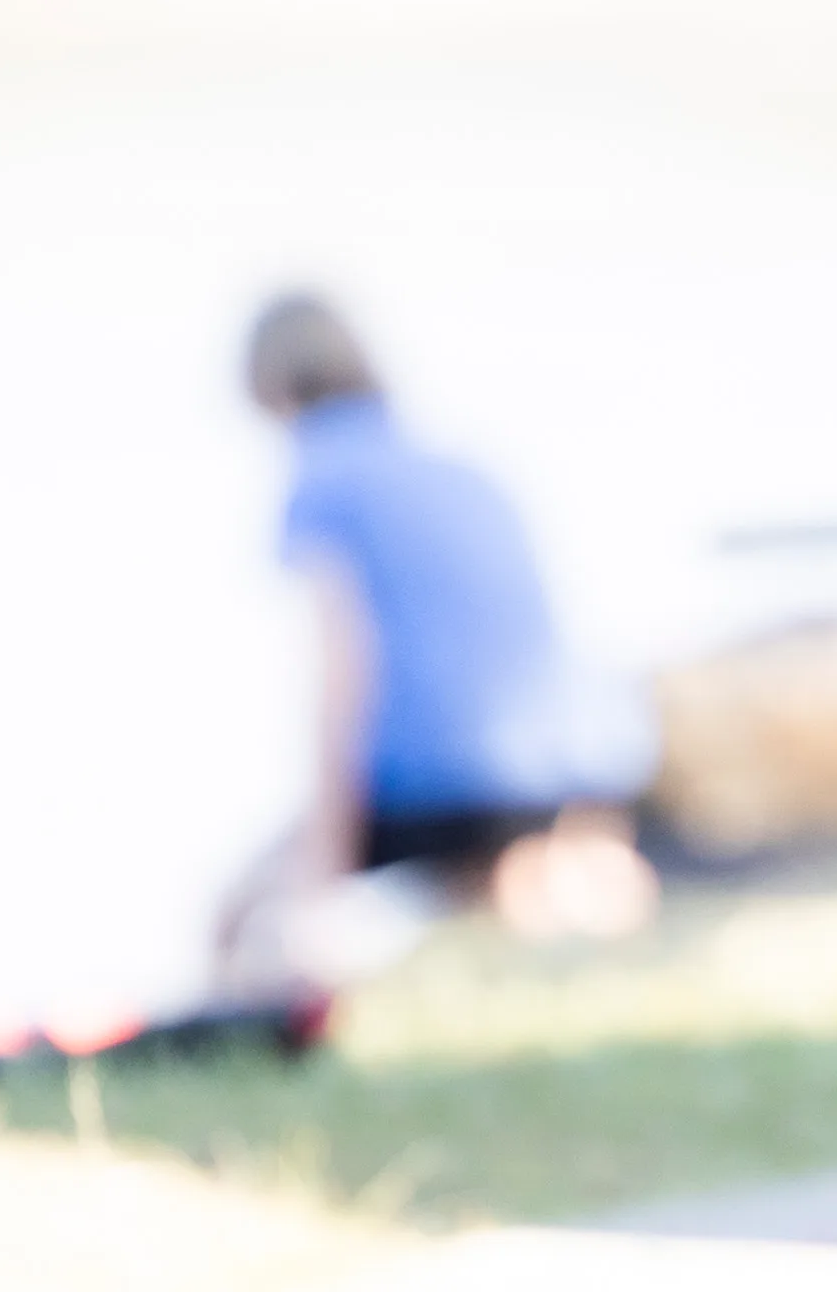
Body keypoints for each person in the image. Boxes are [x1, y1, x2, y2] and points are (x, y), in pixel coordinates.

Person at [215, 294, 652, 989]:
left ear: (267, 387)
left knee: (238, 912)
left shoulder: (321, 479)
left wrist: (321, 870)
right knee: (506, 895)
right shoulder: (464, 467)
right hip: (579, 771)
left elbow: (342, 674)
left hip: (445, 789)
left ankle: (249, 1038)